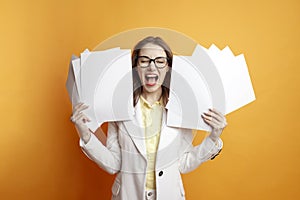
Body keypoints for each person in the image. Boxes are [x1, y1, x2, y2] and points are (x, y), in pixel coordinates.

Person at [70, 36, 227, 200]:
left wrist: (213, 137)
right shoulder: (119, 109)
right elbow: (114, 164)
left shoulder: (181, 111)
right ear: (135, 68)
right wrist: (86, 135)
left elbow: (184, 163)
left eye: (160, 61)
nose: (152, 67)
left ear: (168, 68)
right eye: (144, 61)